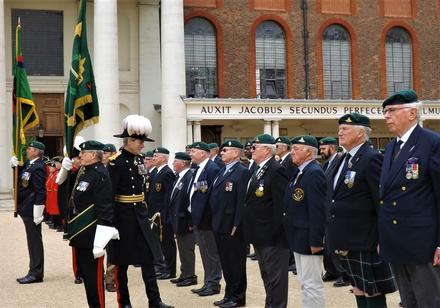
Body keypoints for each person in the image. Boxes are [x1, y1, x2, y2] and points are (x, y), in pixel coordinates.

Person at [328, 113, 397, 308]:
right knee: (358, 287)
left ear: (360, 133)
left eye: (345, 129)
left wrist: (382, 238)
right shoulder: (344, 158)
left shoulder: (371, 158)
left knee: (371, 288)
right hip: (347, 237)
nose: (339, 133)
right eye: (340, 128)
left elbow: (381, 201)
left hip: (365, 239)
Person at [379, 90, 440, 307]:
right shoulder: (391, 147)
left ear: (412, 113)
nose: (386, 116)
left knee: (429, 301)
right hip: (396, 241)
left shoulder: (431, 142)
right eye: (385, 111)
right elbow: (385, 196)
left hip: (422, 242)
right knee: (408, 301)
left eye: (392, 111)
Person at [109, 114, 173, 308]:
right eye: (139, 141)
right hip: (123, 218)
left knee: (148, 260)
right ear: (128, 140)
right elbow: (110, 195)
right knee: (121, 264)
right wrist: (110, 224)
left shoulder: (139, 160)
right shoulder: (115, 162)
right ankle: (125, 302)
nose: (142, 145)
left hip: (141, 217)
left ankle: (155, 301)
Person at [65, 140, 118, 308]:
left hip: (92, 235)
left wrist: (100, 240)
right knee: (88, 279)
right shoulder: (84, 172)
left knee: (94, 280)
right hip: (81, 234)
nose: (80, 155)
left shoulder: (100, 174)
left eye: (83, 152)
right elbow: (68, 194)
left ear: (93, 155)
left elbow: (105, 209)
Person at [242, 134, 290, 308]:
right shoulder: (258, 168)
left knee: (276, 279)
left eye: (255, 147)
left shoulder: (277, 170)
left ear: (267, 150)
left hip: (273, 236)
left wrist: (277, 235)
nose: (251, 150)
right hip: (260, 234)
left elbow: (280, 207)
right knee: (267, 276)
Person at [284, 135, 326, 308]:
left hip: (309, 239)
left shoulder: (314, 173)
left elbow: (318, 210)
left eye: (296, 149)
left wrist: (316, 241)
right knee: (304, 282)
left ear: (309, 152)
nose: (291, 152)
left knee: (312, 284)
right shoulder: (301, 172)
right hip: (299, 236)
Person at [209, 140, 249, 308]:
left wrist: (237, 224)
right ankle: (229, 294)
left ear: (235, 153)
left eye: (225, 150)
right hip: (220, 223)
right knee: (226, 262)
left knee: (236, 263)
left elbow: (242, 201)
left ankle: (238, 297)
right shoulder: (222, 171)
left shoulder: (242, 172)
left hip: (232, 226)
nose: (222, 153)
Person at [188, 141, 222, 297]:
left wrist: (205, 218)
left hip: (206, 219)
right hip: (198, 218)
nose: (190, 154)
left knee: (212, 253)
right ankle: (208, 282)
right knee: (204, 252)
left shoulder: (212, 169)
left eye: (193, 151)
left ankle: (214, 283)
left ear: (203, 153)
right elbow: (198, 190)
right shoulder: (198, 168)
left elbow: (212, 197)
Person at [11, 140, 47, 284]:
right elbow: (22, 179)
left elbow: (40, 191)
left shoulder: (38, 167)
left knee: (34, 242)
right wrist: (15, 167)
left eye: (30, 149)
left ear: (37, 152)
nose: (27, 150)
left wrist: (38, 211)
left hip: (32, 209)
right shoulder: (30, 164)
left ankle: (36, 273)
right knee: (32, 242)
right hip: (26, 208)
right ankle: (33, 270)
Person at [318, 137, 348, 287]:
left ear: (333, 148)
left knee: (337, 243)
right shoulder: (326, 164)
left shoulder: (340, 161)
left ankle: (344, 273)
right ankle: (331, 270)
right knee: (328, 244)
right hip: (325, 208)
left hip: (335, 209)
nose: (321, 151)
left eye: (324, 149)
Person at [56, 136, 86, 284]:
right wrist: (64, 168)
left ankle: (90, 271)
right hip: (74, 212)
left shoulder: (89, 169)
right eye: (77, 157)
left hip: (87, 211)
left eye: (80, 156)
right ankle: (79, 272)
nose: (78, 160)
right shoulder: (71, 170)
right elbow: (59, 182)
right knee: (76, 245)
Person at [169, 152, 198, 287]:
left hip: (185, 219)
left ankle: (190, 276)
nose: (173, 164)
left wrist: (191, 220)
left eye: (175, 161)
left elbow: (191, 199)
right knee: (182, 248)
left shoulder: (189, 176)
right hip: (178, 218)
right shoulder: (179, 177)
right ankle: (184, 273)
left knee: (187, 249)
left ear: (183, 163)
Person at [148, 147, 176, 279]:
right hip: (154, 214)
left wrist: (166, 215)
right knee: (158, 242)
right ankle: (160, 266)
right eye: (153, 156)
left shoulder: (167, 173)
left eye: (156, 156)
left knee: (167, 242)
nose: (153, 158)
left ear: (164, 158)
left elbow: (168, 196)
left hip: (163, 215)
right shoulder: (156, 172)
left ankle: (170, 270)